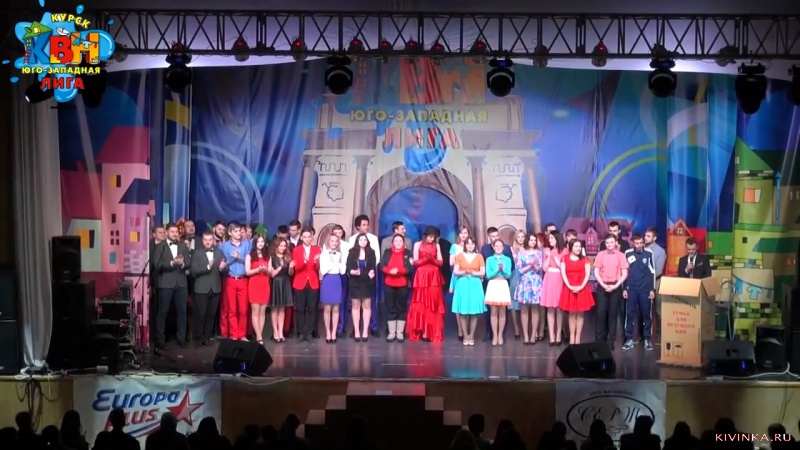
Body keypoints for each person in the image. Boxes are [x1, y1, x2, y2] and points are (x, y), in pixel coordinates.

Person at [153, 222, 192, 349]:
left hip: (181, 283)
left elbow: (188, 263)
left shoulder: (183, 246)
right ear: (167, 232)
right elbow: (156, 265)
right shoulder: (160, 247)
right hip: (165, 283)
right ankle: (160, 339)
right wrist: (172, 263)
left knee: (182, 311)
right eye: (172, 232)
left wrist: (182, 264)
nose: (175, 234)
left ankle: (182, 338)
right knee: (162, 312)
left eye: (176, 232)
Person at [407, 226, 445, 342]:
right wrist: (425, 260)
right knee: (421, 302)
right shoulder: (417, 245)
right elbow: (415, 262)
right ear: (425, 236)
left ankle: (431, 332)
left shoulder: (436, 245)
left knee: (433, 303)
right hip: (421, 276)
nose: (432, 239)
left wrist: (432, 260)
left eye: (433, 237)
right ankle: (421, 330)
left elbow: (441, 262)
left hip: (433, 276)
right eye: (430, 237)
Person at [189, 231, 227, 347]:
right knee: (200, 314)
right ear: (202, 241)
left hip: (215, 288)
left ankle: (207, 337)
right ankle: (198, 338)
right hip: (201, 289)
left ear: (213, 241)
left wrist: (222, 268)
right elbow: (193, 270)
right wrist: (207, 267)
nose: (208, 242)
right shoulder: (197, 253)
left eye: (210, 240)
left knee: (211, 315)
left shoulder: (219, 252)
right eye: (205, 240)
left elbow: (225, 269)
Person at [593, 234, 628, 350]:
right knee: (601, 313)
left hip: (615, 286)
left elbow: (624, 274)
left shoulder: (621, 255)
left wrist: (616, 286)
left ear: (616, 242)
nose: (609, 245)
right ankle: (599, 340)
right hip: (602, 286)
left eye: (611, 242)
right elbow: (596, 271)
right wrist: (603, 285)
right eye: (607, 243)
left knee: (613, 314)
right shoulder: (600, 254)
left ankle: (611, 340)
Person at [622, 234, 656, 351]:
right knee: (630, 315)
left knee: (647, 315)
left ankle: (647, 340)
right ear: (633, 243)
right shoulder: (627, 253)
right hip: (631, 290)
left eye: (641, 243)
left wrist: (652, 289)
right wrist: (625, 288)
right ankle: (629, 339)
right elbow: (625, 272)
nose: (639, 245)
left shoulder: (649, 253)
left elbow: (652, 272)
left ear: (643, 243)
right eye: (637, 243)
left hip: (645, 290)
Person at [219, 222, 252, 341]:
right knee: (231, 309)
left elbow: (249, 262)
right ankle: (234, 334)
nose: (239, 233)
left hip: (243, 279)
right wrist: (232, 258)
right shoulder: (224, 246)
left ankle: (242, 335)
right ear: (230, 233)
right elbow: (222, 265)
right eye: (236, 231)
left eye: (239, 231)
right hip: (230, 279)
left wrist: (239, 257)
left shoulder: (247, 245)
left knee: (243, 309)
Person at [451, 236, 486, 346]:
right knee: (463, 311)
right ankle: (465, 335)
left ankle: (471, 336)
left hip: (475, 285)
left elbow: (482, 272)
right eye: (468, 243)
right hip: (462, 285)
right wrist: (466, 272)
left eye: (472, 243)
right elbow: (456, 271)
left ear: (475, 245)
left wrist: (472, 272)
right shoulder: (460, 256)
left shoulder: (479, 256)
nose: (470, 246)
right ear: (465, 245)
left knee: (474, 312)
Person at [560, 239, 593, 345]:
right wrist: (569, 286)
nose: (578, 248)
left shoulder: (585, 259)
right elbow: (563, 274)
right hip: (569, 286)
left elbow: (587, 274)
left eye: (579, 246)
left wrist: (581, 286)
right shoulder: (564, 258)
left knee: (580, 313)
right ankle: (571, 337)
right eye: (576, 246)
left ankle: (578, 337)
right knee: (572, 313)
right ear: (571, 247)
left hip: (582, 287)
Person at [381, 234, 414, 341]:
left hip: (402, 285)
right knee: (390, 307)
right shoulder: (387, 252)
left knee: (401, 308)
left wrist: (399, 271)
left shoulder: (408, 253)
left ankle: (400, 333)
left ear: (403, 243)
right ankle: (391, 332)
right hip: (389, 284)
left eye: (400, 241)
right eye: (396, 241)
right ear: (393, 243)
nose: (398, 243)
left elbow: (410, 267)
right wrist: (389, 271)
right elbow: (382, 266)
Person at [292, 227, 322, 342]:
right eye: (305, 237)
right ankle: (301, 332)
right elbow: (297, 268)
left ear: (312, 237)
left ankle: (309, 332)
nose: (307, 239)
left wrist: (315, 261)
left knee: (312, 308)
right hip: (300, 282)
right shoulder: (297, 250)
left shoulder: (317, 249)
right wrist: (304, 261)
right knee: (300, 309)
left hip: (313, 282)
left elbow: (317, 268)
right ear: (301, 238)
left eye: (309, 237)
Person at [347, 233, 378, 341]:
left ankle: (365, 331)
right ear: (357, 241)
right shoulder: (352, 252)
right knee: (355, 306)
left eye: (365, 240)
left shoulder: (371, 253)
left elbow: (372, 268)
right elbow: (349, 267)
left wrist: (369, 273)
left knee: (367, 306)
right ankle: (356, 330)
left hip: (367, 283)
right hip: (355, 282)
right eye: (361, 239)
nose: (363, 241)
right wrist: (352, 272)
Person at [516, 232, 545, 345]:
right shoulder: (521, 253)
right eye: (531, 240)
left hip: (535, 282)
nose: (533, 242)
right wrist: (529, 265)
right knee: (524, 309)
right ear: (527, 240)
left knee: (535, 309)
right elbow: (520, 269)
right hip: (524, 281)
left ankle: (533, 335)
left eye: (534, 240)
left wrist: (534, 265)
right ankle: (526, 336)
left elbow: (539, 268)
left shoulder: (539, 253)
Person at [320, 234, 347, 343]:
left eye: (336, 241)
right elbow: (323, 270)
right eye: (332, 241)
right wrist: (333, 262)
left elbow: (342, 271)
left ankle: (334, 332)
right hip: (328, 280)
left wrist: (338, 261)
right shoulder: (324, 254)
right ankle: (328, 332)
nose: (334, 243)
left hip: (337, 280)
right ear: (328, 242)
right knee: (327, 308)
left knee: (336, 308)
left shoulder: (340, 254)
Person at [485, 239, 513, 346]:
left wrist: (503, 269)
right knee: (493, 312)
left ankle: (500, 335)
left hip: (503, 284)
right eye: (496, 246)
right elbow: (488, 275)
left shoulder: (507, 259)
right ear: (493, 247)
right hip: (493, 284)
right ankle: (495, 335)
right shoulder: (489, 259)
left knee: (502, 312)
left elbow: (508, 275)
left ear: (503, 247)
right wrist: (497, 270)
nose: (498, 248)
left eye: (500, 246)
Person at [245, 234, 271, 345]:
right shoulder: (250, 256)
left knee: (262, 312)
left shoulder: (268, 256)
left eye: (262, 241)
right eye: (258, 241)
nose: (261, 244)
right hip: (254, 285)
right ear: (255, 243)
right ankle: (259, 336)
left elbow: (270, 272)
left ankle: (259, 334)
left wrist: (265, 270)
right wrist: (257, 270)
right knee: (255, 311)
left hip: (265, 284)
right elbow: (247, 272)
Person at [541, 231, 565, 346]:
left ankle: (559, 334)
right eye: (549, 238)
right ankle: (551, 336)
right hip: (549, 278)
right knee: (550, 309)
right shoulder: (547, 250)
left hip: (559, 278)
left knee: (559, 309)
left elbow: (561, 266)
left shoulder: (564, 251)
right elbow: (544, 268)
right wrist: (549, 255)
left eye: (552, 238)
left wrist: (554, 255)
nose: (550, 240)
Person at [268, 238, 294, 342]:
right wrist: (280, 267)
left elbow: (290, 274)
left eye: (284, 246)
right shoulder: (272, 257)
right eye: (281, 246)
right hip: (276, 283)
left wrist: (291, 267)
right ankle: (275, 332)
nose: (283, 248)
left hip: (285, 282)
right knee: (275, 308)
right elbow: (271, 274)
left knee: (282, 309)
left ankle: (280, 332)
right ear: (276, 246)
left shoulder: (287, 257)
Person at [449, 226, 470, 340]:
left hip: (470, 276)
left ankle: (467, 328)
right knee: (459, 303)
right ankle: (460, 330)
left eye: (465, 233)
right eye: (461, 233)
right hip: (458, 276)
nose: (463, 235)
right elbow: (451, 263)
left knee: (468, 302)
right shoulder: (455, 247)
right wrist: (462, 261)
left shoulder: (471, 245)